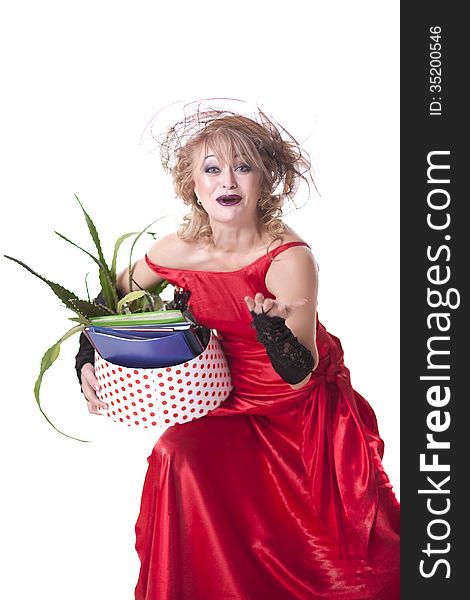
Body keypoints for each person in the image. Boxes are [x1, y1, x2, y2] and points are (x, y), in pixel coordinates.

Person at [76, 102, 400, 599]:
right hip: (223, 405)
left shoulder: (287, 259)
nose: (228, 180)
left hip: (297, 414)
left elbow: (300, 373)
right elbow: (107, 303)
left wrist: (271, 331)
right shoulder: (176, 250)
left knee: (352, 568)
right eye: (212, 169)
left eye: (243, 167)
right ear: (194, 184)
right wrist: (86, 360)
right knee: (175, 454)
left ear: (264, 180)